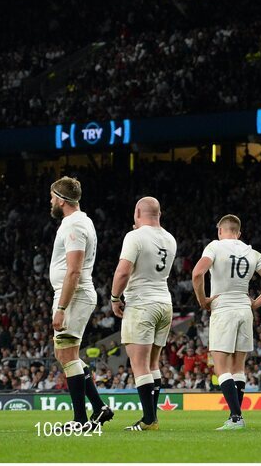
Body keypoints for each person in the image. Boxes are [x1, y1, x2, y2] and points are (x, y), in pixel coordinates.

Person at [192, 214, 261, 430]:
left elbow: (197, 273)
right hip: (244, 308)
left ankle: (235, 417)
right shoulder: (252, 252)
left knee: (221, 367)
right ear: (239, 233)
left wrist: (202, 300)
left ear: (219, 230)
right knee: (238, 368)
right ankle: (237, 418)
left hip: (224, 308)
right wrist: (256, 303)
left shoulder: (214, 247)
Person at [47, 176, 112, 428]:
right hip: (74, 294)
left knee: (67, 355)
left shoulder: (73, 226)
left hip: (73, 295)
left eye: (52, 197)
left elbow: (73, 270)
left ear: (62, 201)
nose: (50, 201)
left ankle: (80, 419)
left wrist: (61, 308)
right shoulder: (81, 221)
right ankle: (99, 407)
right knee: (66, 354)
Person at [111, 196, 177, 431]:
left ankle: (149, 419)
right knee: (152, 363)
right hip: (164, 303)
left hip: (141, 303)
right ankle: (152, 418)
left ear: (138, 212)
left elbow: (123, 272)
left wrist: (115, 298)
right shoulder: (170, 238)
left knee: (139, 364)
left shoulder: (135, 236)